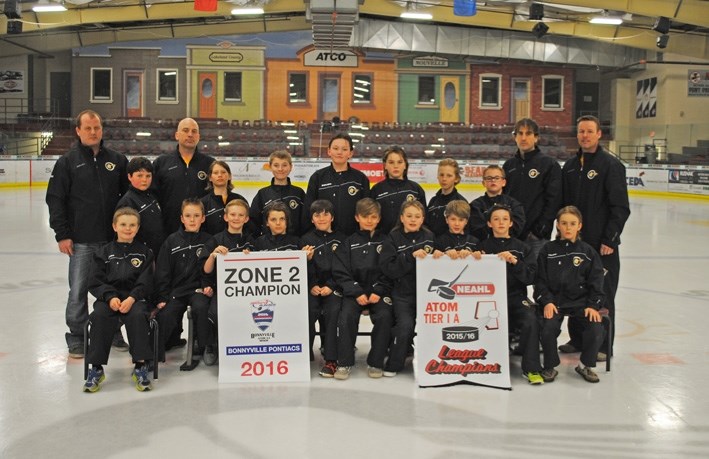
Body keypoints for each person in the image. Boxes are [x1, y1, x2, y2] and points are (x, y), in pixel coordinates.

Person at [46, 109, 129, 358]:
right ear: (78, 131)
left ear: (102, 130)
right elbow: (55, 200)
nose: (93, 132)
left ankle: (113, 331)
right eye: (88, 128)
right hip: (81, 241)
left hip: (112, 241)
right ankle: (77, 336)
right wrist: (62, 234)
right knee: (79, 290)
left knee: (114, 288)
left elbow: (127, 201)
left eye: (97, 128)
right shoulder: (67, 162)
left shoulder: (118, 160)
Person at [560, 115, 630, 358]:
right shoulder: (569, 167)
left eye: (590, 131)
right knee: (574, 289)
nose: (585, 136)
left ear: (599, 134)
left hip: (602, 245)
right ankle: (577, 339)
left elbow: (620, 207)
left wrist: (610, 239)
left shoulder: (611, 166)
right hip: (574, 243)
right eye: (581, 132)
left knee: (602, 292)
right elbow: (564, 207)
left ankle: (602, 346)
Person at [83, 208, 155, 392]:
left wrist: (132, 298)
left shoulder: (145, 252)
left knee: (138, 315)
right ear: (115, 226)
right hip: (109, 299)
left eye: (132, 225)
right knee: (99, 315)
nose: (128, 228)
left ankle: (140, 366)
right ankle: (96, 368)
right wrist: (110, 297)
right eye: (123, 224)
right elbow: (95, 281)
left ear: (138, 228)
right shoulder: (103, 252)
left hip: (134, 299)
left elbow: (146, 282)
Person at [535, 206, 606, 383]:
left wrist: (593, 305)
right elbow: (540, 282)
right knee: (548, 327)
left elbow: (596, 283)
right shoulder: (547, 250)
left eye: (572, 224)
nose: (568, 227)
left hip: (581, 303)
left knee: (596, 327)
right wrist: (547, 302)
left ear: (579, 226)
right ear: (557, 225)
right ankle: (550, 366)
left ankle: (585, 365)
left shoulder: (588, 252)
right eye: (564, 223)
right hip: (556, 302)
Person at [478, 204, 543, 385]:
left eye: (505, 219)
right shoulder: (481, 247)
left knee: (530, 318)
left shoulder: (523, 248)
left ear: (511, 223)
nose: (500, 222)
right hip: (487, 299)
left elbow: (530, 277)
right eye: (496, 219)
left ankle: (531, 368)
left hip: (515, 297)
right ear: (489, 224)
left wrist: (515, 262)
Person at [331, 198, 394, 379]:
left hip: (378, 293)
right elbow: (340, 271)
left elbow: (390, 270)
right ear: (357, 217)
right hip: (354, 293)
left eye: (373, 217)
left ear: (379, 218)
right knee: (346, 318)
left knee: (384, 316)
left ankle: (375, 362)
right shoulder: (348, 242)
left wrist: (378, 290)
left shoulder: (386, 242)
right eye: (365, 216)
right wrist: (356, 291)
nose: (369, 220)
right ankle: (344, 363)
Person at [380, 200, 435, 376]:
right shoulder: (392, 238)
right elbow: (389, 269)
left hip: (427, 294)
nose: (413, 220)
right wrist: (409, 256)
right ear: (402, 218)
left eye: (417, 216)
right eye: (409, 216)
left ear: (423, 219)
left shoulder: (429, 236)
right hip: (402, 294)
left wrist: (439, 257)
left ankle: (435, 361)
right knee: (405, 326)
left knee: (434, 327)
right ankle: (394, 363)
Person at [154, 199, 212, 361]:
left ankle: (204, 346)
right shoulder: (171, 241)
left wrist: (209, 286)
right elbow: (163, 271)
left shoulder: (209, 240)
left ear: (203, 218)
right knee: (167, 314)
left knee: (201, 307)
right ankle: (154, 353)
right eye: (188, 216)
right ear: (182, 219)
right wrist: (162, 297)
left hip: (198, 290)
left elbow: (210, 270)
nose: (192, 220)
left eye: (196, 215)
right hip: (176, 291)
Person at [202, 199, 255, 366]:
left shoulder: (252, 241)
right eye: (232, 214)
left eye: (240, 215)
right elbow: (206, 270)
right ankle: (213, 345)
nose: (236, 218)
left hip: (248, 291)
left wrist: (252, 257)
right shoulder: (215, 240)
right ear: (225, 217)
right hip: (223, 291)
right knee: (215, 312)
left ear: (246, 219)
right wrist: (213, 255)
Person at [503, 118, 562, 261]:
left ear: (536, 138)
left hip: (537, 237)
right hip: (513, 235)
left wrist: (540, 229)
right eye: (520, 133)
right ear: (514, 137)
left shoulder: (549, 164)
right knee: (514, 280)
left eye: (528, 133)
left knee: (539, 280)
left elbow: (554, 200)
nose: (524, 138)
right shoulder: (509, 166)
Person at [300, 200, 345, 367]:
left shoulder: (342, 239)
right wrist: (311, 284)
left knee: (333, 311)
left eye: (326, 214)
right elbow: (301, 268)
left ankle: (331, 359)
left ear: (332, 217)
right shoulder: (305, 239)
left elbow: (343, 267)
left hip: (333, 288)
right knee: (309, 310)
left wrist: (332, 286)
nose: (321, 218)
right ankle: (305, 352)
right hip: (312, 289)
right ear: (312, 219)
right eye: (317, 215)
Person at [152, 118, 215, 234]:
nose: (190, 134)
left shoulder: (210, 164)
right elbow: (152, 197)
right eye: (185, 130)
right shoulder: (161, 163)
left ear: (198, 137)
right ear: (177, 135)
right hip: (169, 230)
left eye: (194, 131)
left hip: (202, 231)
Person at [304, 133, 370, 236]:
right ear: (329, 151)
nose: (339, 152)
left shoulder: (360, 179)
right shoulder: (317, 177)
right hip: (324, 238)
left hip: (352, 237)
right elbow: (309, 209)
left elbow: (366, 211)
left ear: (351, 153)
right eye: (335, 148)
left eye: (344, 149)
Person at [115, 156, 165, 258]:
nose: (144, 180)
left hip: (156, 252)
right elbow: (124, 235)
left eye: (148, 176)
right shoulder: (127, 202)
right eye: (140, 175)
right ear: (129, 177)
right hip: (139, 256)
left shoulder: (152, 196)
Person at [370, 146, 426, 234]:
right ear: (385, 166)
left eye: (400, 162)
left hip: (411, 242)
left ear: (405, 165)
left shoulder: (416, 189)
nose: (396, 166)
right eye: (391, 162)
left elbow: (423, 220)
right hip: (385, 241)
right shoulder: (377, 190)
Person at [250, 150, 305, 237]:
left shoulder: (298, 193)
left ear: (290, 167)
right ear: (270, 167)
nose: (280, 169)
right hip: (268, 246)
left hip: (295, 245)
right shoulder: (262, 194)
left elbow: (305, 220)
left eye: (284, 165)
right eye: (276, 165)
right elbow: (253, 222)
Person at [468, 165, 526, 241]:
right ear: (483, 183)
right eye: (489, 178)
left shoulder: (514, 205)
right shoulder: (475, 205)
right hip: (484, 247)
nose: (493, 181)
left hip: (510, 246)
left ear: (503, 182)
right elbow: (476, 228)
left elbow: (517, 227)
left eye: (497, 178)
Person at [200, 160, 250, 236]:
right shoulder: (203, 203)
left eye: (223, 172)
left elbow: (249, 227)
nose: (220, 175)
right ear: (210, 177)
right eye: (216, 173)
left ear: (229, 176)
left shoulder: (240, 200)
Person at [426, 158, 467, 237]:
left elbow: (465, 230)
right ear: (437, 176)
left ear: (456, 178)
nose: (444, 179)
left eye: (449, 175)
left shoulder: (461, 202)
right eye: (441, 175)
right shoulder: (433, 201)